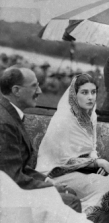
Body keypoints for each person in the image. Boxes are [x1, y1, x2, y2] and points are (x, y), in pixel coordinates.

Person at [35, 74, 109, 223]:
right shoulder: (63, 119)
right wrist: (97, 163)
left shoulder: (91, 115)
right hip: (55, 173)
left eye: (93, 92)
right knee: (106, 189)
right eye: (84, 92)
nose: (90, 97)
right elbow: (61, 161)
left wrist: (95, 162)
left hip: (81, 170)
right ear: (74, 94)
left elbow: (92, 147)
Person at [0, 66, 81, 212]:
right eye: (34, 86)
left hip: (13, 189)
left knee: (70, 193)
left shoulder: (9, 114)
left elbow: (20, 168)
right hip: (8, 198)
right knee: (71, 201)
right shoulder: (4, 123)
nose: (39, 91)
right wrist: (51, 187)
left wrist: (47, 180)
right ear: (16, 90)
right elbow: (12, 177)